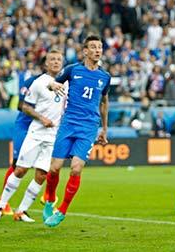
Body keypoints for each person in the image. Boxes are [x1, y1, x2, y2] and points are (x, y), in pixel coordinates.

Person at [42, 35, 111, 227]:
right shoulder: (73, 70)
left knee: (76, 168)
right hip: (69, 123)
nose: (98, 50)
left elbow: (104, 102)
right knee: (55, 167)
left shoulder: (105, 77)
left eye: (100, 47)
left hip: (89, 126)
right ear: (85, 51)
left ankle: (62, 210)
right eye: (94, 47)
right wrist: (53, 84)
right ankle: (49, 199)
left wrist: (104, 129)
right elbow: (51, 83)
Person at [0, 50, 65, 223]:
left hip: (53, 135)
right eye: (51, 59)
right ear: (46, 64)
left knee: (41, 174)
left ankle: (21, 211)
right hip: (34, 131)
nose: (55, 62)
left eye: (58, 59)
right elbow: (24, 107)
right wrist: (42, 118)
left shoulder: (67, 83)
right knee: (20, 169)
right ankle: (1, 205)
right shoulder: (37, 82)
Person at [0, 67, 42, 216]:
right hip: (25, 126)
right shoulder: (32, 82)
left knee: (48, 166)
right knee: (16, 164)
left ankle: (49, 198)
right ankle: (3, 201)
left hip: (42, 128)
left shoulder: (59, 84)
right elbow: (20, 105)